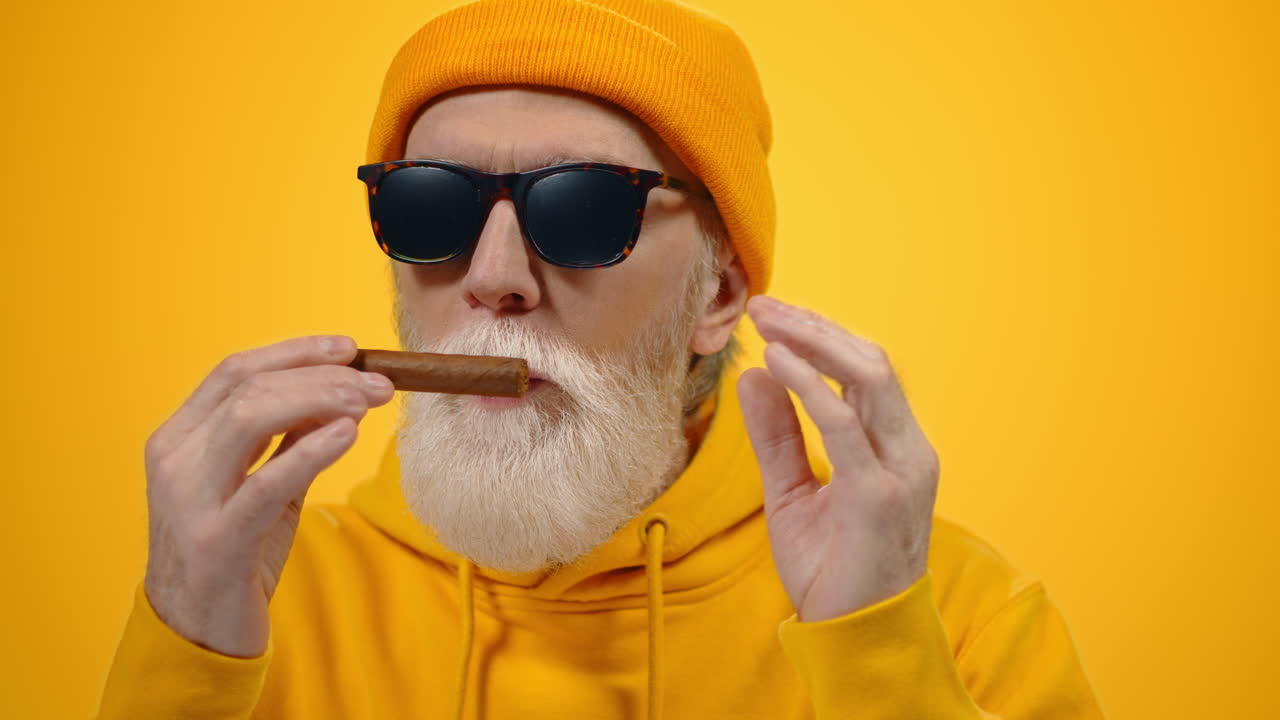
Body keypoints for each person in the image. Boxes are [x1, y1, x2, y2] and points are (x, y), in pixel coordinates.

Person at [96, 0, 1106, 718]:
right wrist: (185, 656)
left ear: (715, 292)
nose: (494, 277)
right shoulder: (255, 597)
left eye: (580, 207)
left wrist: (879, 669)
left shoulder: (949, 614)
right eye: (429, 206)